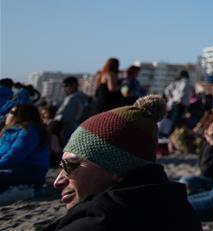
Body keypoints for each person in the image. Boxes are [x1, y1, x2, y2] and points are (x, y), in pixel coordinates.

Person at [38, 95, 201, 231]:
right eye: (62, 166)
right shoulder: (176, 206)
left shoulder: (101, 222)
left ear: (116, 168)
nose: (58, 181)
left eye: (70, 165)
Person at [0, 103, 51, 192]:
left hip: (30, 172)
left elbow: (14, 156)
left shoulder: (28, 131)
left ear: (21, 115)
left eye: (12, 112)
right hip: (12, 169)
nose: (7, 114)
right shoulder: (9, 132)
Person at [54, 77, 87, 144]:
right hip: (77, 129)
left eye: (66, 86)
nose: (64, 89)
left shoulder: (72, 98)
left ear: (73, 86)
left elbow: (64, 117)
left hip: (67, 130)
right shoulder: (82, 97)